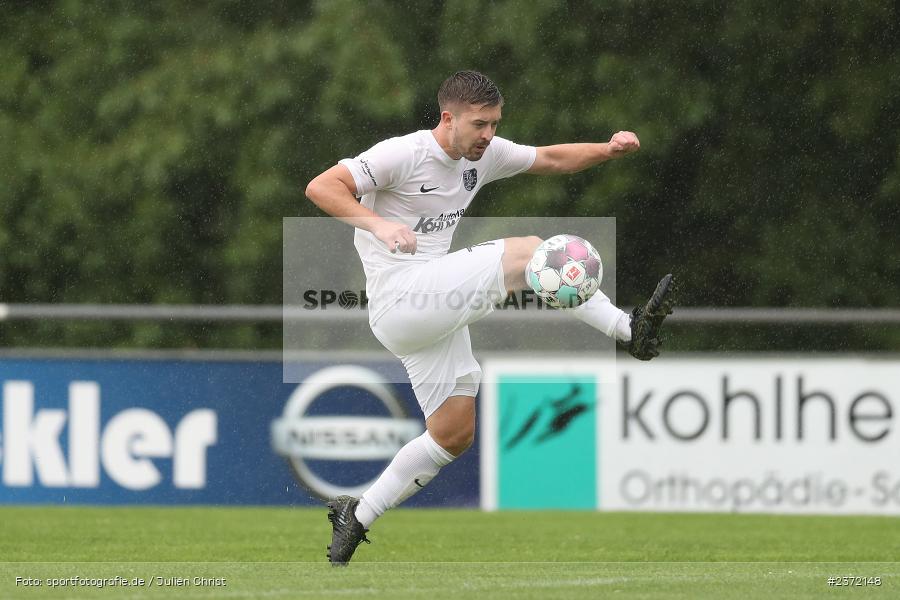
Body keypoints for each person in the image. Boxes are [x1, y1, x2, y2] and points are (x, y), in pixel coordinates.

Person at [305, 70, 676, 566]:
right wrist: (379, 225)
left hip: (430, 307)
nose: (489, 135)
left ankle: (357, 514)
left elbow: (551, 158)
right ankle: (627, 329)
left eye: (495, 124)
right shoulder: (404, 152)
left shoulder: (484, 153)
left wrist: (607, 151)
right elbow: (321, 186)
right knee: (527, 253)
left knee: (452, 433)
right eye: (480, 124)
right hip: (400, 298)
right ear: (448, 118)